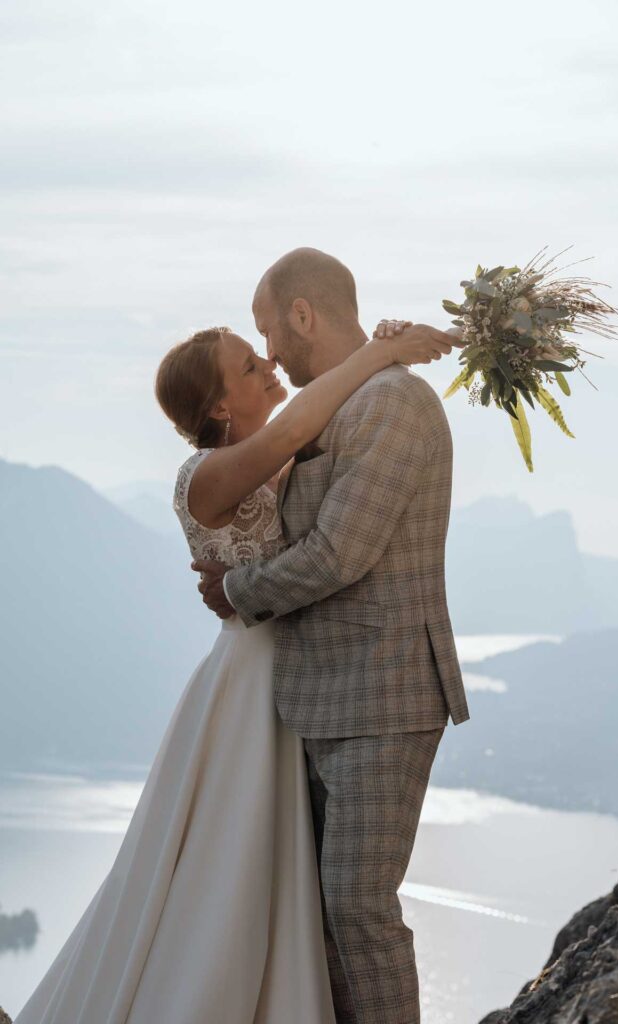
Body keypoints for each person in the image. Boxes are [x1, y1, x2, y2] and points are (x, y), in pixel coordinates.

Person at [13, 302, 454, 1024]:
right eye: (251, 366)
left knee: (292, 881)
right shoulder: (204, 476)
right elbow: (293, 428)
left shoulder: (281, 451)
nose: (270, 366)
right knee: (233, 863)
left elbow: (308, 436)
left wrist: (379, 352)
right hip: (253, 678)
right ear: (219, 404)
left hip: (304, 675)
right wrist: (381, 353)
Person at [195, 247, 471, 1024]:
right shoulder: (344, 401)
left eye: (267, 332)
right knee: (319, 920)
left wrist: (235, 589)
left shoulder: (394, 405)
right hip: (320, 700)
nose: (270, 354)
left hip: (385, 695)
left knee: (357, 908)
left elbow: (340, 553)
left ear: (302, 314)